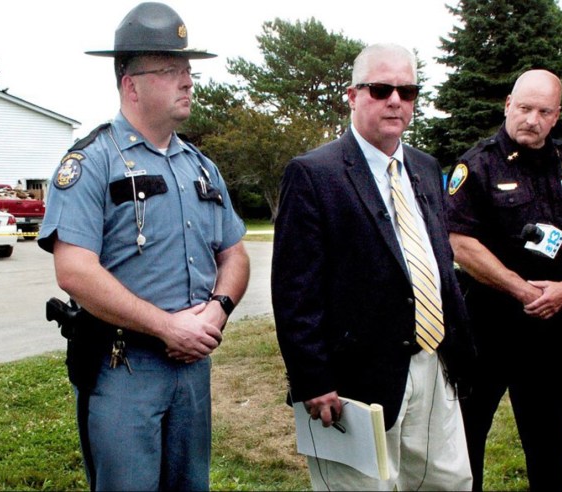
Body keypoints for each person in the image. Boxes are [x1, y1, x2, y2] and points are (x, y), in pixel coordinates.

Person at [37, 3, 250, 490]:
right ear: (130, 84)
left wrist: (217, 310)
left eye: (188, 70)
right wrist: (165, 326)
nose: (188, 81)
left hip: (192, 366)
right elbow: (74, 271)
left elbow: (234, 252)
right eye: (171, 70)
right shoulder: (91, 163)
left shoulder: (200, 166)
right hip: (123, 366)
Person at [272, 43, 474, 491]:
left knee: (450, 482)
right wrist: (313, 379)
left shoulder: (424, 167)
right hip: (352, 384)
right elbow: (294, 292)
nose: (396, 101)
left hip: (432, 365)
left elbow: (438, 261)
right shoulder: (313, 174)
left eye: (408, 90)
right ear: (352, 95)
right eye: (381, 89)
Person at [446, 69, 562, 491]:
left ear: (556, 116)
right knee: (466, 440)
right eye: (525, 108)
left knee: (548, 443)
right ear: (508, 106)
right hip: (486, 326)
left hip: (551, 327)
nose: (532, 119)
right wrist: (522, 289)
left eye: (543, 111)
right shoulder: (475, 164)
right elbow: (460, 242)